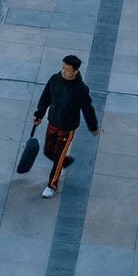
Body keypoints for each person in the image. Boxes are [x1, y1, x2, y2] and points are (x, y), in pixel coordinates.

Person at [33, 54, 99, 198]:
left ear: (75, 72)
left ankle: (52, 186)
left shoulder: (81, 89)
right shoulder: (55, 79)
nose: (63, 71)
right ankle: (67, 161)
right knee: (47, 150)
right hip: (53, 122)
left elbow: (88, 109)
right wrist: (39, 114)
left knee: (57, 157)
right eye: (62, 68)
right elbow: (45, 98)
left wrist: (93, 126)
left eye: (67, 70)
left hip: (67, 128)